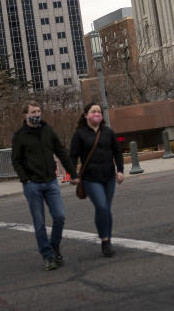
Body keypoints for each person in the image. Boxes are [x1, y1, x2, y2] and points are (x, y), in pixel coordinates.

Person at [10, 101, 77, 271]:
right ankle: (48, 257)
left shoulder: (48, 130)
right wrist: (26, 180)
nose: (36, 114)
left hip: (51, 182)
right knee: (39, 223)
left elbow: (60, 151)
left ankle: (54, 246)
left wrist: (73, 174)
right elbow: (16, 160)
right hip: (33, 185)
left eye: (38, 111)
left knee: (60, 216)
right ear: (25, 115)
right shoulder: (20, 136)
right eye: (33, 112)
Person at [69, 103, 124, 257]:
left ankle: (108, 239)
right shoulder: (79, 134)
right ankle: (104, 239)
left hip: (108, 176)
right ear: (86, 115)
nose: (97, 114)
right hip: (90, 178)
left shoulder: (108, 132)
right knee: (101, 206)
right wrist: (73, 174)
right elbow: (73, 156)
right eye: (93, 111)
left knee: (106, 208)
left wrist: (120, 171)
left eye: (99, 111)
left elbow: (117, 152)